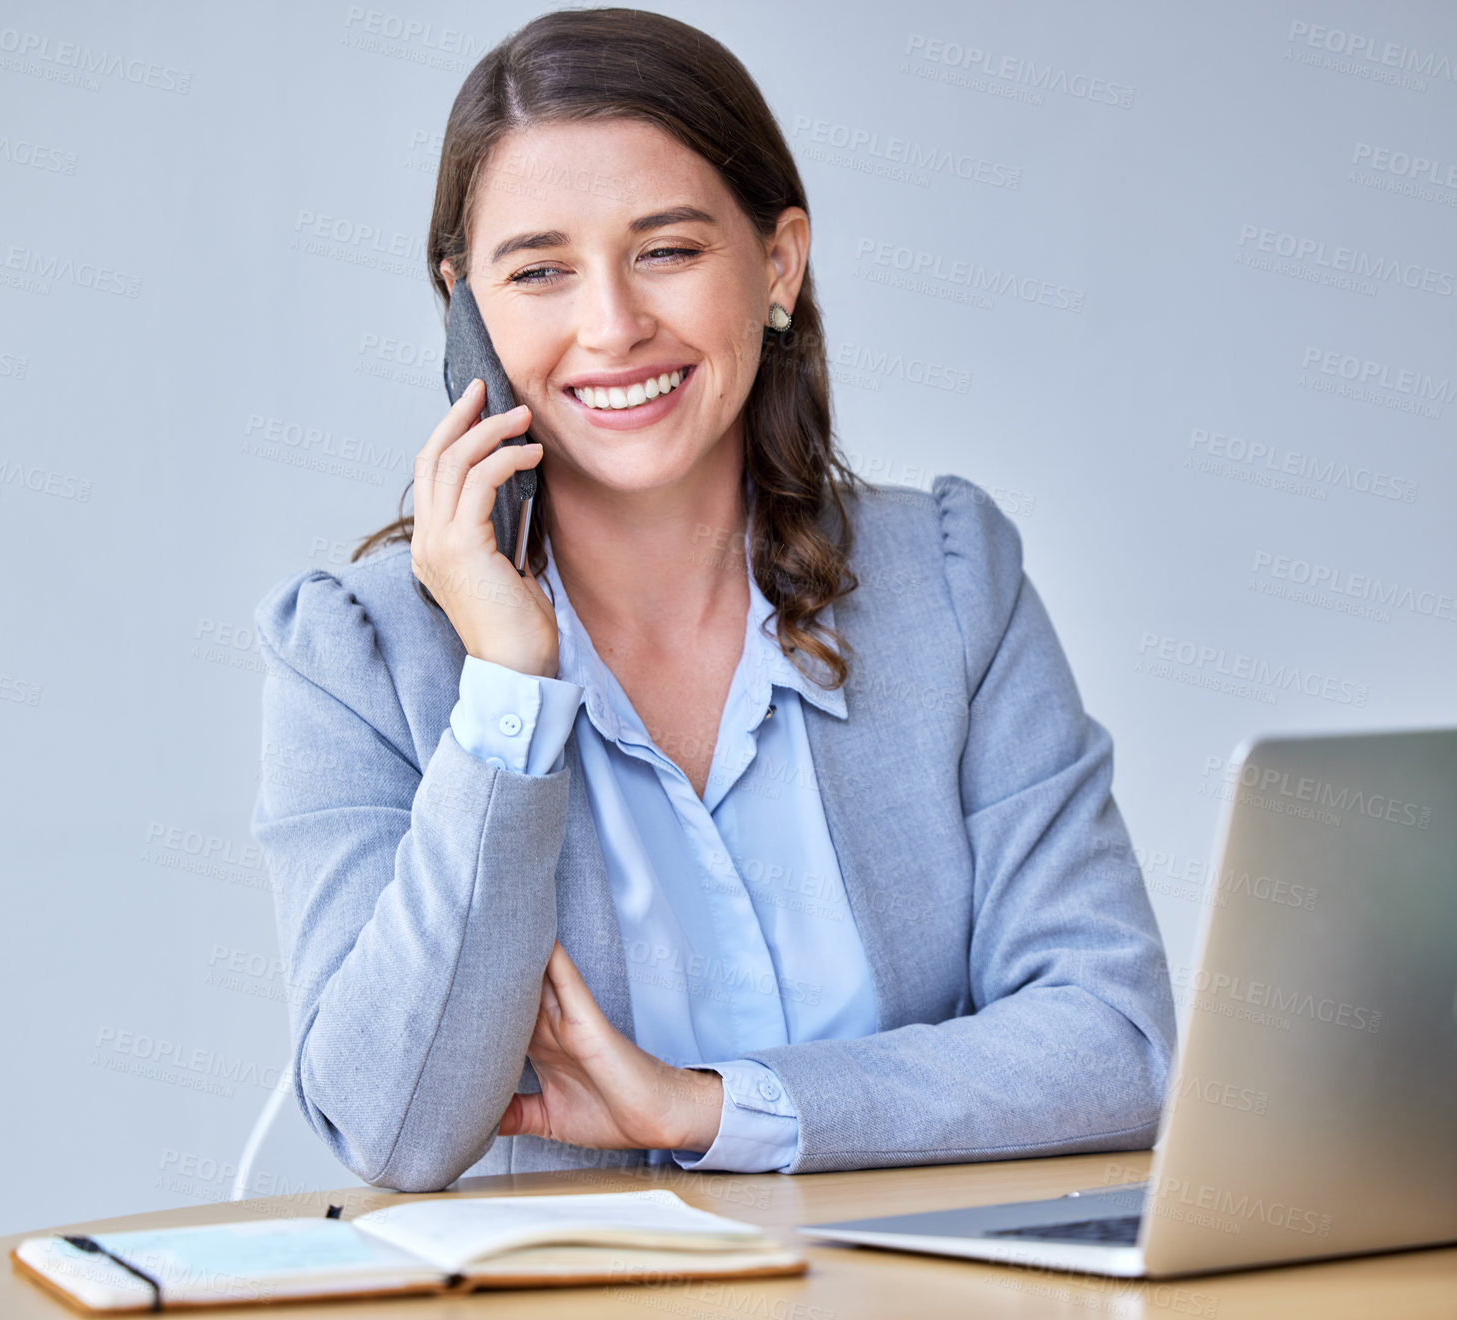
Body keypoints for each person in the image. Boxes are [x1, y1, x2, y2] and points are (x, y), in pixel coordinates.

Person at [251, 7, 1175, 1193]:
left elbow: (1115, 1042)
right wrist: (504, 697)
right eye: (538, 270)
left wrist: (709, 1109)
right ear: (465, 306)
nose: (612, 325)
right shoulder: (356, 656)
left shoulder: (949, 582)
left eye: (668, 250)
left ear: (776, 263)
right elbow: (398, 1128)